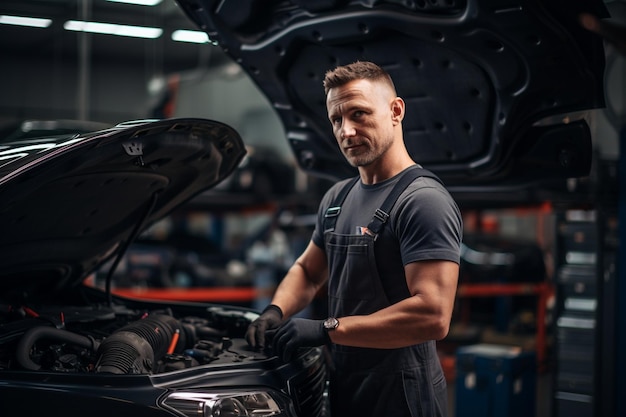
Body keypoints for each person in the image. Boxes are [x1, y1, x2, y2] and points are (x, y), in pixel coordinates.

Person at [245, 60, 462, 417]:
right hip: (346, 383)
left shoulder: (422, 201)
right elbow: (310, 272)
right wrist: (275, 310)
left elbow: (432, 315)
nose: (346, 131)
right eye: (336, 119)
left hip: (402, 394)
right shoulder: (337, 198)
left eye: (359, 114)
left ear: (396, 111)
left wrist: (325, 329)